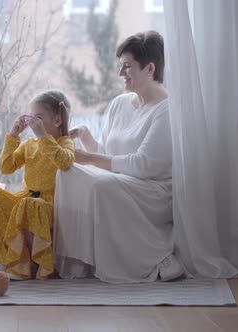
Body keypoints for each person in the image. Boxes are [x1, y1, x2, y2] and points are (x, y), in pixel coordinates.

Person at [54, 31, 184, 283]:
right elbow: (109, 155)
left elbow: (143, 165)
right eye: (120, 66)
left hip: (151, 190)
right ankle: (80, 261)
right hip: (122, 181)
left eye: (127, 67)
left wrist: (88, 158)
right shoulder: (120, 103)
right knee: (66, 171)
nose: (120, 73)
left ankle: (157, 254)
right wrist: (85, 137)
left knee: (101, 184)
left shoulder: (166, 110)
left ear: (149, 68)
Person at [0, 90, 75, 280]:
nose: (33, 121)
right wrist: (13, 135)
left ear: (57, 121)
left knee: (30, 205)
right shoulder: (29, 144)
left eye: (39, 117)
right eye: (31, 116)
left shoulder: (65, 142)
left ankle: (23, 266)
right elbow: (6, 167)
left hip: (48, 206)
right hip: (24, 200)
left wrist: (43, 136)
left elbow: (63, 161)